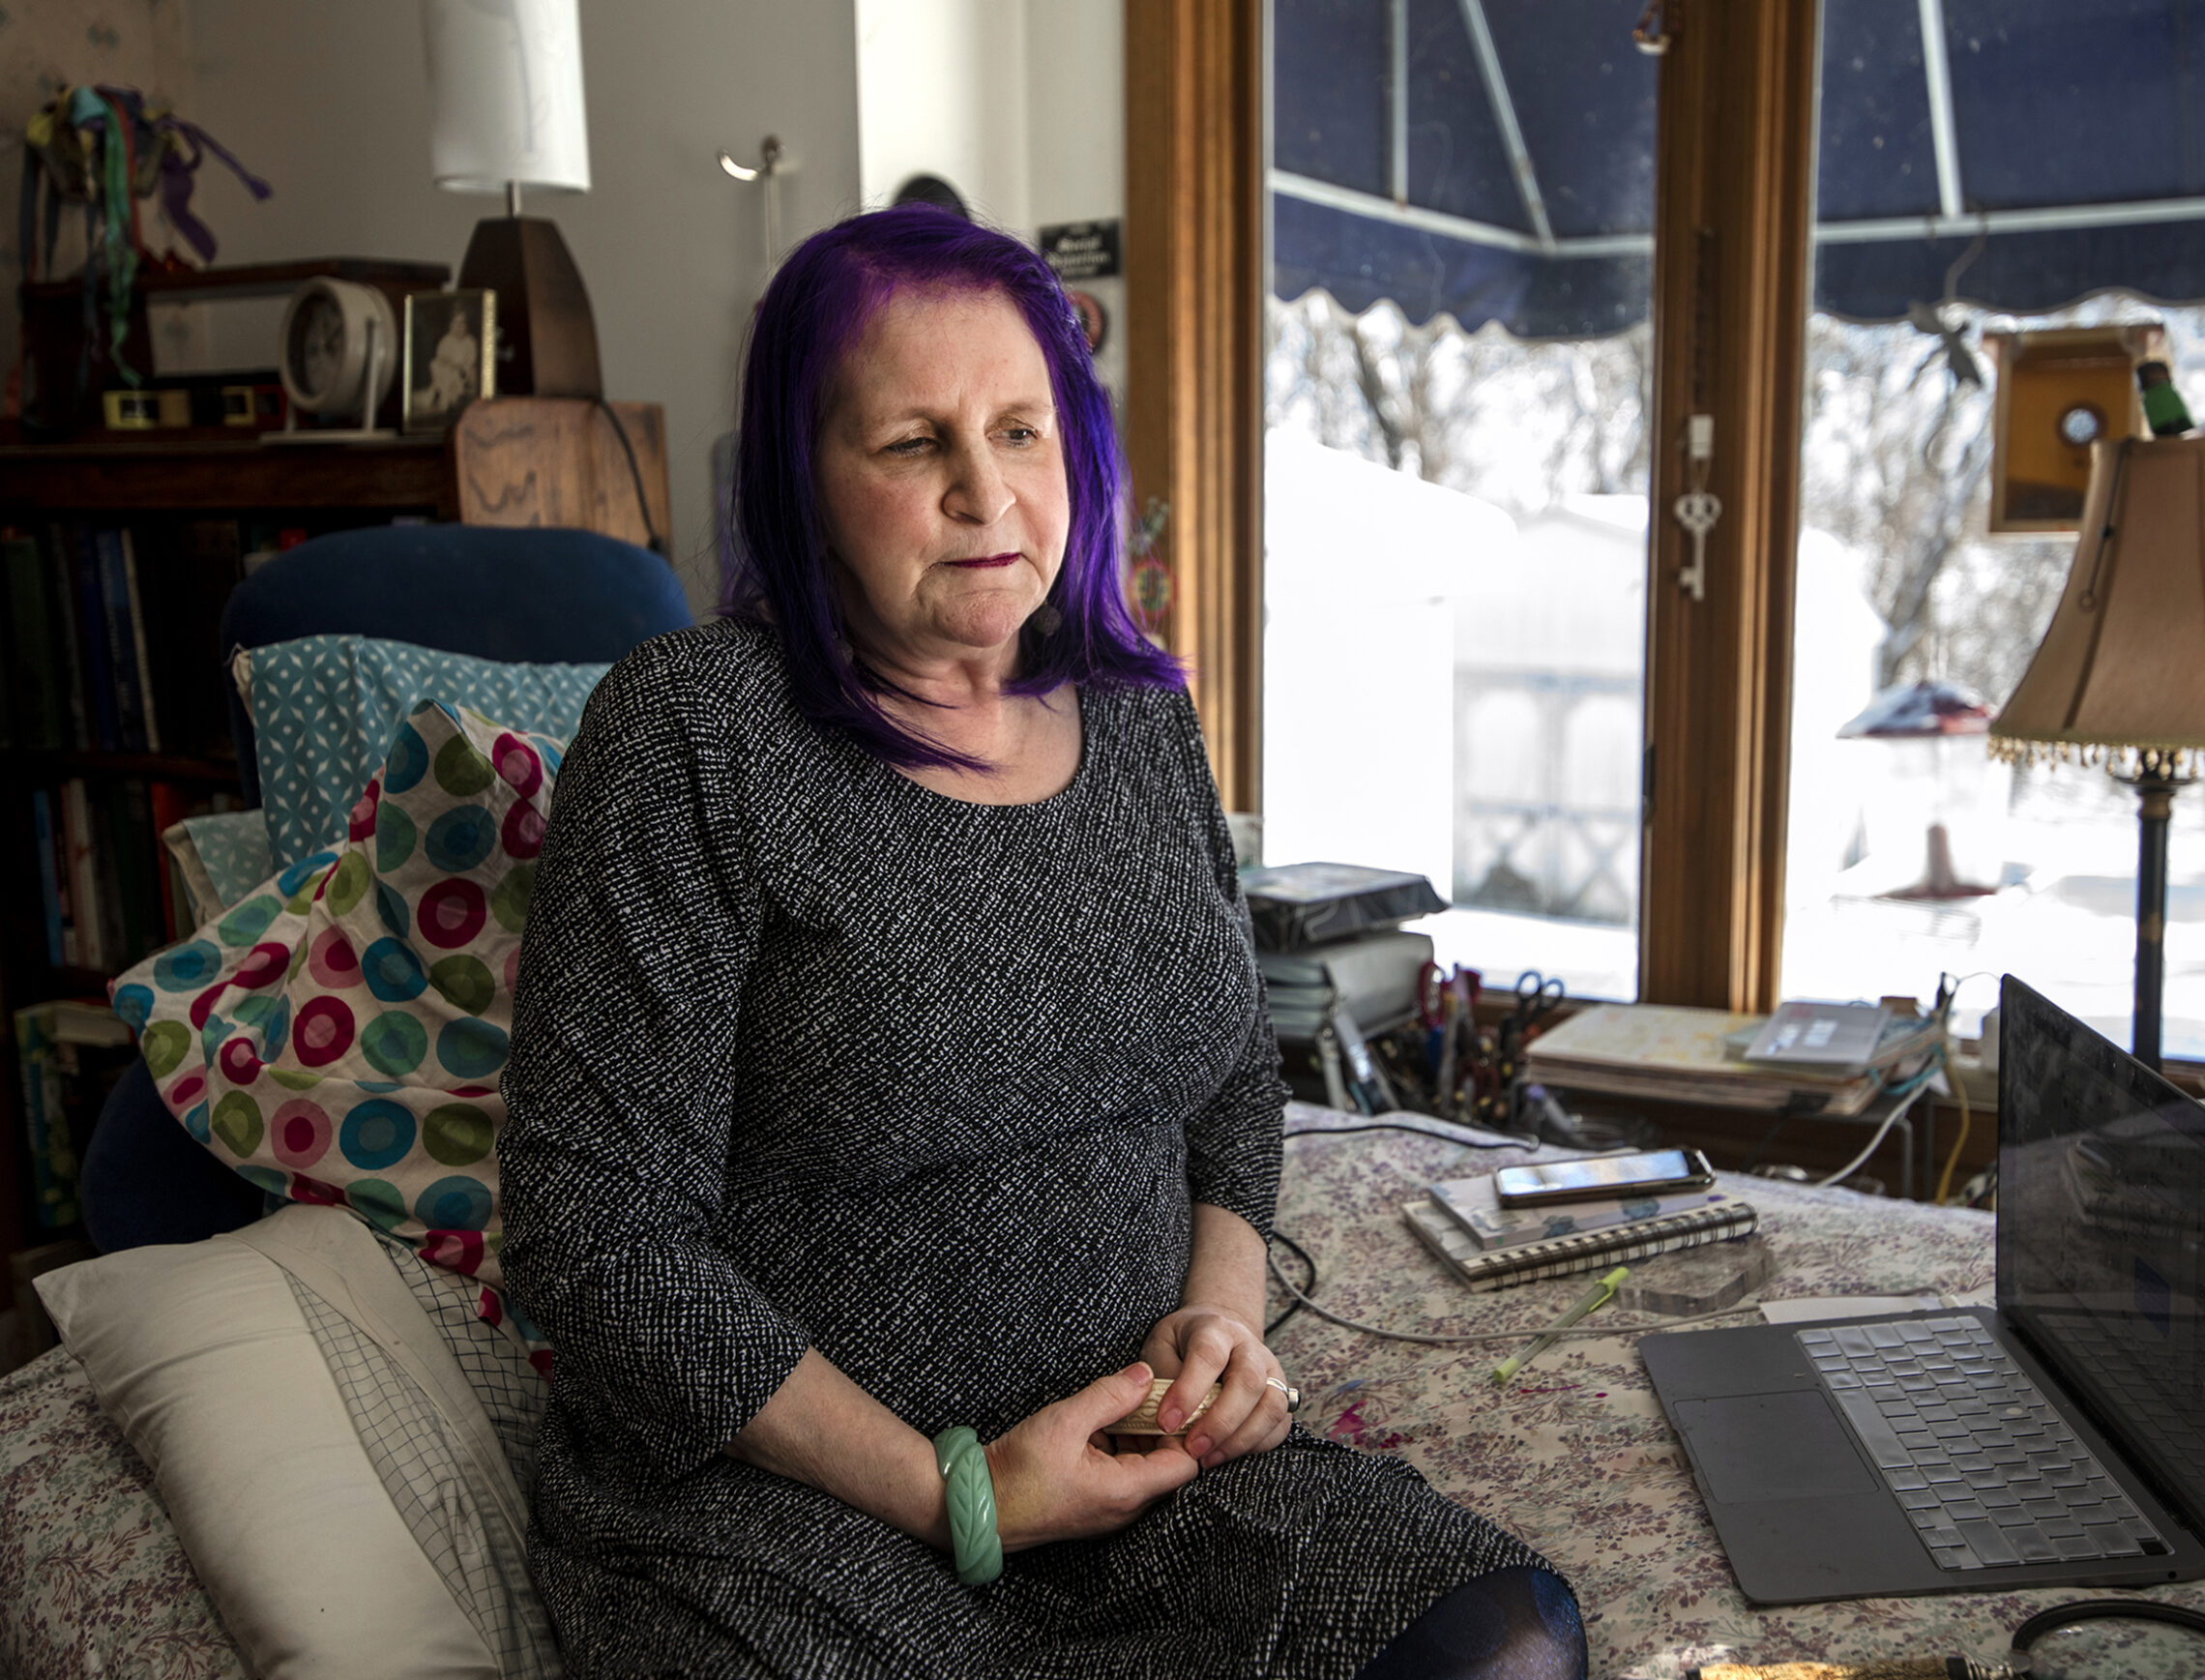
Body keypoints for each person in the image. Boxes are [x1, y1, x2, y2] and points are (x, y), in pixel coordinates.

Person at [498, 204, 1585, 1679]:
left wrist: (1221, 1323)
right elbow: (594, 1240)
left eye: (1021, 430)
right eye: (910, 443)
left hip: (1144, 1466)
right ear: (801, 479)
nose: (983, 492)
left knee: (1503, 1639)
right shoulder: (695, 734)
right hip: (805, 1507)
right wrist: (965, 1491)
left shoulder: (1141, 721)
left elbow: (1229, 1093)